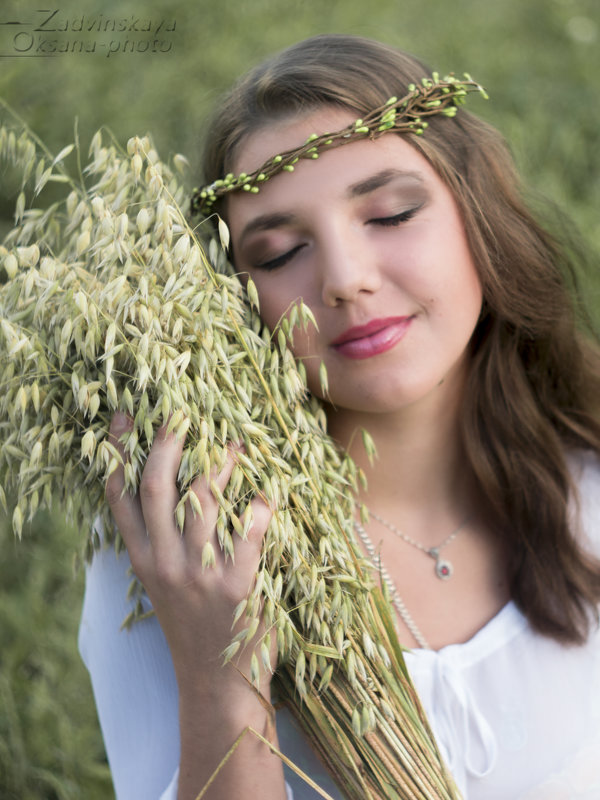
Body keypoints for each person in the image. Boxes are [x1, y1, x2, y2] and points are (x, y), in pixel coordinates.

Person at [78, 34, 600, 800]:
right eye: (282, 252)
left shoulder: (587, 468)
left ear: (477, 214)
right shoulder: (190, 550)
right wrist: (224, 678)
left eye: (390, 215)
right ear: (234, 301)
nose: (347, 281)